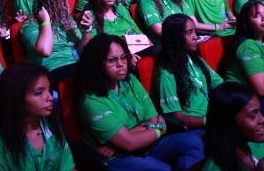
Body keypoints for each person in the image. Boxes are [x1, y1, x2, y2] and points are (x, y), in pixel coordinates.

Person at [77, 34, 204, 170]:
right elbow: (130, 143)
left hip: (148, 144)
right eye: (111, 60)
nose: (120, 65)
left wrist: (136, 131)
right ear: (97, 64)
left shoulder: (130, 80)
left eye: (123, 58)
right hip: (120, 157)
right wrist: (159, 130)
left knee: (193, 142)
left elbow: (152, 119)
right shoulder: (91, 102)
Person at [0, 63, 75, 171]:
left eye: (49, 90)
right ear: (17, 99)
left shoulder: (52, 125)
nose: (50, 97)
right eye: (39, 93)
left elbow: (68, 167)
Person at [156, 14, 223, 132]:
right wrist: (209, 121)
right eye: (189, 33)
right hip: (196, 127)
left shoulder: (196, 60)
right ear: (176, 38)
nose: (195, 37)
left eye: (195, 32)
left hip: (213, 115)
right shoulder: (166, 73)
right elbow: (176, 117)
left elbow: (221, 85)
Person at [20, 0, 93, 85]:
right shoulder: (30, 25)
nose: (66, 4)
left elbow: (82, 52)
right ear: (51, 3)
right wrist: (46, 22)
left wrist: (87, 31)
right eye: (62, 0)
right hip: (52, 72)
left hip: (76, 66)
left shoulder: (66, 20)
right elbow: (45, 51)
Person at [202, 83, 264, 171]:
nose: (263, 119)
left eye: (259, 112)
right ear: (229, 122)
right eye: (253, 115)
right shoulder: (215, 168)